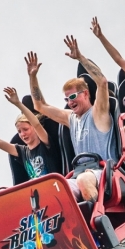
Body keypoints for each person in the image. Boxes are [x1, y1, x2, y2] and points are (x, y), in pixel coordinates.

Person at [26, 37, 115, 202]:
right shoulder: (71, 118)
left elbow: (102, 82)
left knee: (82, 180)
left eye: (73, 96)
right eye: (67, 99)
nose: (70, 102)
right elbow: (39, 105)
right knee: (54, 190)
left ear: (86, 93)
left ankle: (98, 220)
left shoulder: (98, 112)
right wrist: (33, 77)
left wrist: (80, 57)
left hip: (105, 171)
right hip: (80, 173)